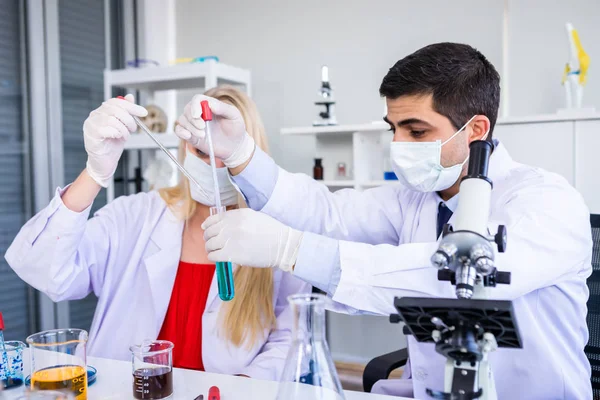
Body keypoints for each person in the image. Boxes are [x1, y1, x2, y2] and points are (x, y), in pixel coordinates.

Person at [174, 43, 593, 399]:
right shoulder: (416, 199)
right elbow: (328, 213)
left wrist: (292, 249)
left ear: (475, 129)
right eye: (393, 128)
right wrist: (241, 154)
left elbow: (454, 282)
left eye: (416, 131)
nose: (397, 145)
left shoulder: (547, 203)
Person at [5, 86, 309, 381]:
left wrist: (244, 384)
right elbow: (45, 270)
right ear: (184, 149)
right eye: (203, 149)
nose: (215, 162)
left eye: (229, 150)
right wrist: (94, 174)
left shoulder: (278, 231)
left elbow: (291, 337)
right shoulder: (134, 216)